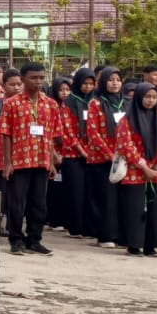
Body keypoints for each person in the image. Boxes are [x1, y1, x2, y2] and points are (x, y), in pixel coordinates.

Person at [0, 63, 61, 255]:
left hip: (41, 160)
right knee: (17, 203)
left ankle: (35, 239)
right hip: (19, 160)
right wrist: (7, 162)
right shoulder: (11, 103)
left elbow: (52, 135)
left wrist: (51, 161)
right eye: (34, 78)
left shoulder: (50, 104)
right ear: (24, 79)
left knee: (39, 204)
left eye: (41, 77)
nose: (39, 81)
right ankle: (16, 239)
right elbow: (6, 133)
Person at [114, 83, 157, 257]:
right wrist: (143, 166)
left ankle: (150, 245)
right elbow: (126, 145)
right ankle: (133, 244)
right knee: (134, 208)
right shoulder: (127, 119)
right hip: (135, 170)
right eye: (147, 97)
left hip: (156, 171)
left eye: (154, 97)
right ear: (139, 97)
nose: (150, 101)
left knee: (156, 209)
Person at [85, 67, 125, 248]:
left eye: (118, 79)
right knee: (105, 198)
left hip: (124, 159)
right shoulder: (96, 103)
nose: (115, 83)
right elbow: (93, 133)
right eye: (111, 80)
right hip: (102, 159)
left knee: (121, 198)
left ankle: (121, 234)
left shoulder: (127, 103)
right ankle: (105, 235)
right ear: (103, 83)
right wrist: (110, 155)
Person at [52, 74, 92, 239]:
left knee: (89, 193)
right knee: (76, 191)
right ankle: (75, 226)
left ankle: (88, 226)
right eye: (85, 83)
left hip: (93, 154)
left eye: (91, 84)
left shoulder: (94, 102)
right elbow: (67, 131)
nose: (88, 87)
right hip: (73, 154)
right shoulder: (68, 103)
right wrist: (83, 152)